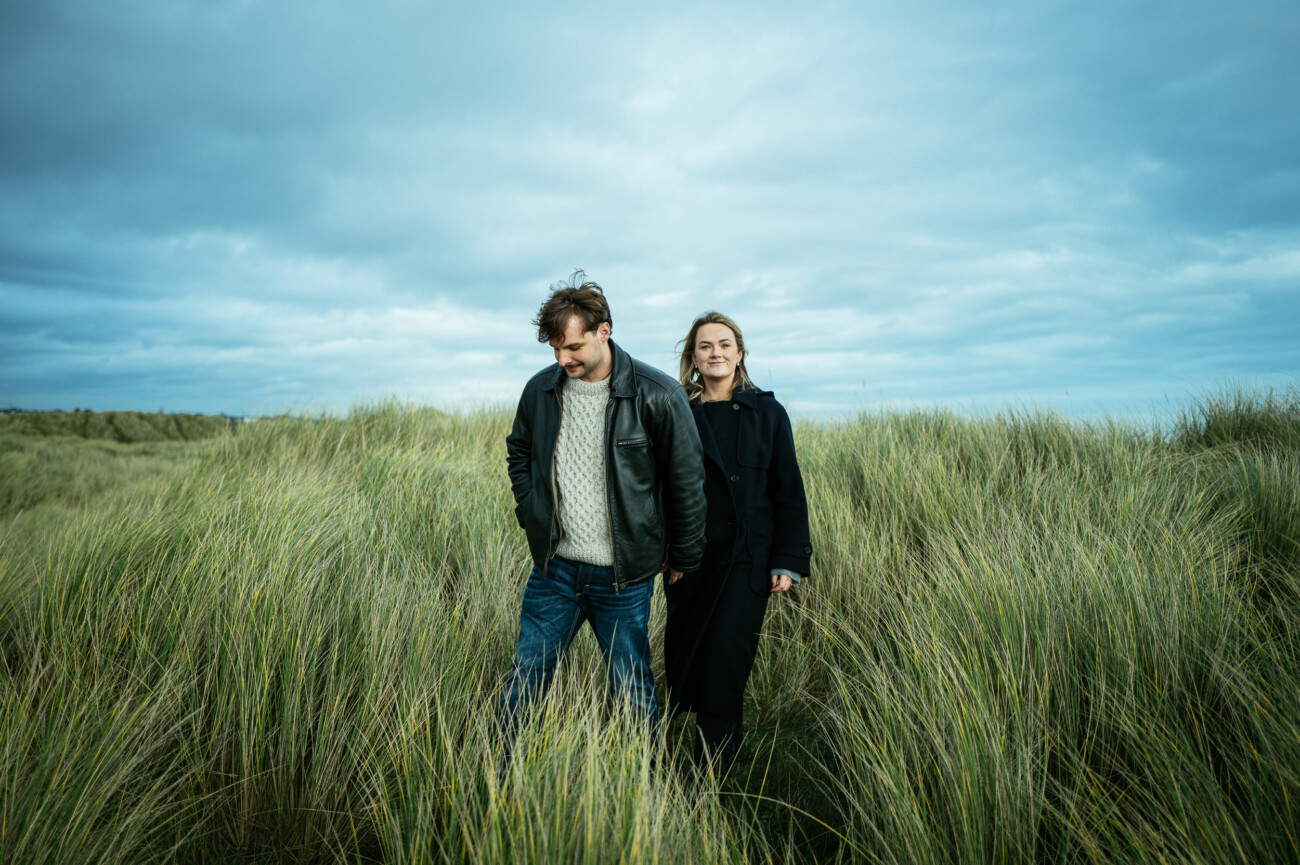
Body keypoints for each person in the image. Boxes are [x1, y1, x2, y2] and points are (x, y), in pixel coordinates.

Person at [500, 271, 707, 744]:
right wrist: (530, 510)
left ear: (604, 331)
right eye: (554, 349)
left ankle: (648, 787)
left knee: (632, 687)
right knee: (526, 679)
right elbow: (519, 452)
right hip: (554, 569)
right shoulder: (540, 390)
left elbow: (687, 482)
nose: (562, 358)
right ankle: (494, 779)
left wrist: (685, 554)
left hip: (624, 576)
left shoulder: (657, 394)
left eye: (572, 347)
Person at [663, 311, 813, 776]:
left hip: (748, 563)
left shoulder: (767, 412)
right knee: (689, 656)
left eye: (725, 345)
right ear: (692, 357)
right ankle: (675, 756)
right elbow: (658, 488)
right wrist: (666, 554)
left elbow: (788, 489)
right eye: (705, 346)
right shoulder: (676, 411)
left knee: (728, 661)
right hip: (689, 562)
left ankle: (716, 775)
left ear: (740, 354)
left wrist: (788, 560)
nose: (716, 353)